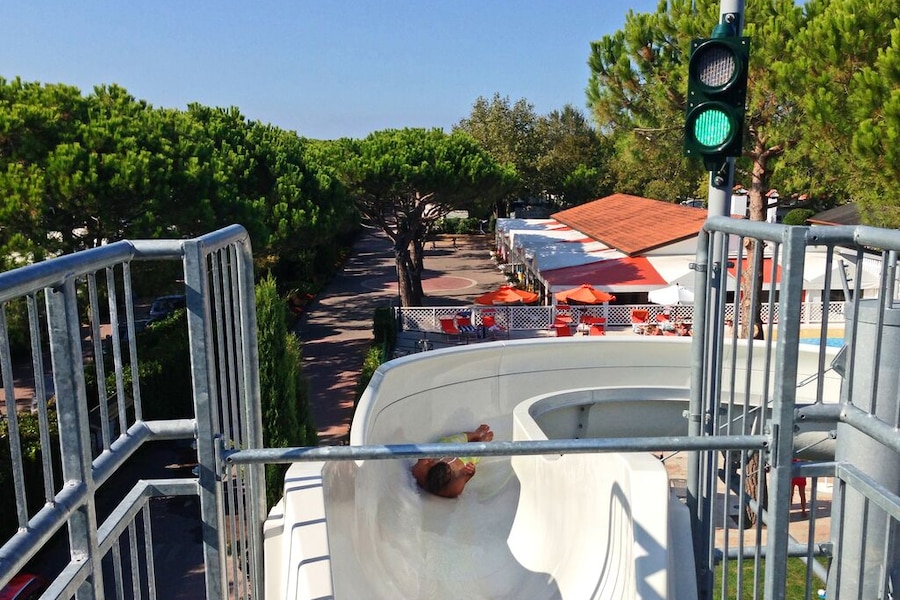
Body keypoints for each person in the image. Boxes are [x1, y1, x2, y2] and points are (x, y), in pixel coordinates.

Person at [411, 424, 494, 498]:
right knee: (473, 455)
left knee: (448, 443)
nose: (447, 461)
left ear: (431, 466)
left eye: (433, 463)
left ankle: (475, 435)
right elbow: (465, 478)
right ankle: (482, 441)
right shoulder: (452, 489)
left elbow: (424, 454)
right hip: (462, 462)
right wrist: (470, 472)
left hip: (443, 452)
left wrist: (428, 456)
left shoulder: (420, 471)